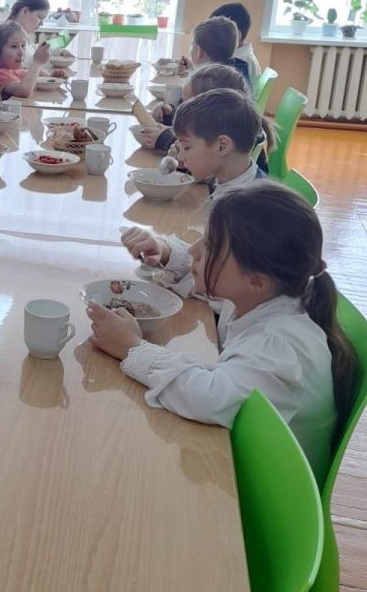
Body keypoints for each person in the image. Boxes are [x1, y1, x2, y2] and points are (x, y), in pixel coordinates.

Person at [88, 184, 360, 484]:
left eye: (210, 246)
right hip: (247, 465)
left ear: (257, 281)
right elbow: (213, 286)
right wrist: (167, 252)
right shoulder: (265, 297)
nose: (194, 250)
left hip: (257, 494)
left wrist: (132, 348)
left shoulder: (280, 346)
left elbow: (208, 396)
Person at [122, 87, 269, 299]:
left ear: (222, 146)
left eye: (187, 147)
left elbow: (219, 287)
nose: (180, 157)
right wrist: (166, 251)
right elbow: (211, 257)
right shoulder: (232, 183)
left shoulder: (244, 212)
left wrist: (171, 274)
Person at [139, 63, 249, 152]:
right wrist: (170, 116)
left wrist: (166, 140)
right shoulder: (220, 127)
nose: (182, 110)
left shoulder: (219, 149)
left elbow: (198, 158)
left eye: (186, 104)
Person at [0, 21, 51, 99]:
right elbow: (23, 90)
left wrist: (51, 76)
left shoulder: (10, 70)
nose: (21, 52)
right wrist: (38, 62)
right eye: (14, 46)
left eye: (23, 46)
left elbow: (29, 74)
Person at [189, 16, 252, 90]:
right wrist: (192, 70)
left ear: (199, 51)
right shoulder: (237, 74)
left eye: (192, 44)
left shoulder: (203, 85)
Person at [210, 2, 262, 83]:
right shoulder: (244, 55)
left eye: (216, 33)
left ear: (236, 34)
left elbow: (219, 86)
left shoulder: (240, 61)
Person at [7, 0, 50, 66]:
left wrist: (59, 52)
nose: (41, 24)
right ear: (25, 11)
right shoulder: (8, 36)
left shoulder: (20, 32)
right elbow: (23, 67)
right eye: (40, 17)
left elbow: (32, 49)